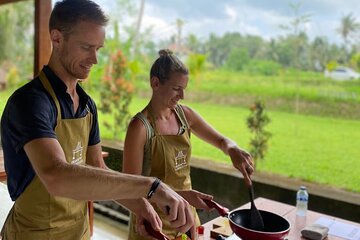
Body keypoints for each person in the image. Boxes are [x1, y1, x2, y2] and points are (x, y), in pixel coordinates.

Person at [0, 2, 195, 240]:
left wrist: (140, 206)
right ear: (57, 38)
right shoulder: (31, 102)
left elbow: (96, 168)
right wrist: (151, 186)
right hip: (34, 234)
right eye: (86, 47)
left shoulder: (87, 105)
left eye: (98, 49)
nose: (95, 59)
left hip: (78, 231)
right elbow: (56, 175)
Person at [122, 49, 255, 239]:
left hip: (187, 219)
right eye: (177, 88)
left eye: (184, 88)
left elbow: (221, 140)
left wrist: (232, 149)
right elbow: (130, 189)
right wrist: (183, 196)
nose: (182, 95)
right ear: (155, 83)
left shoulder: (185, 115)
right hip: (153, 225)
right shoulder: (140, 128)